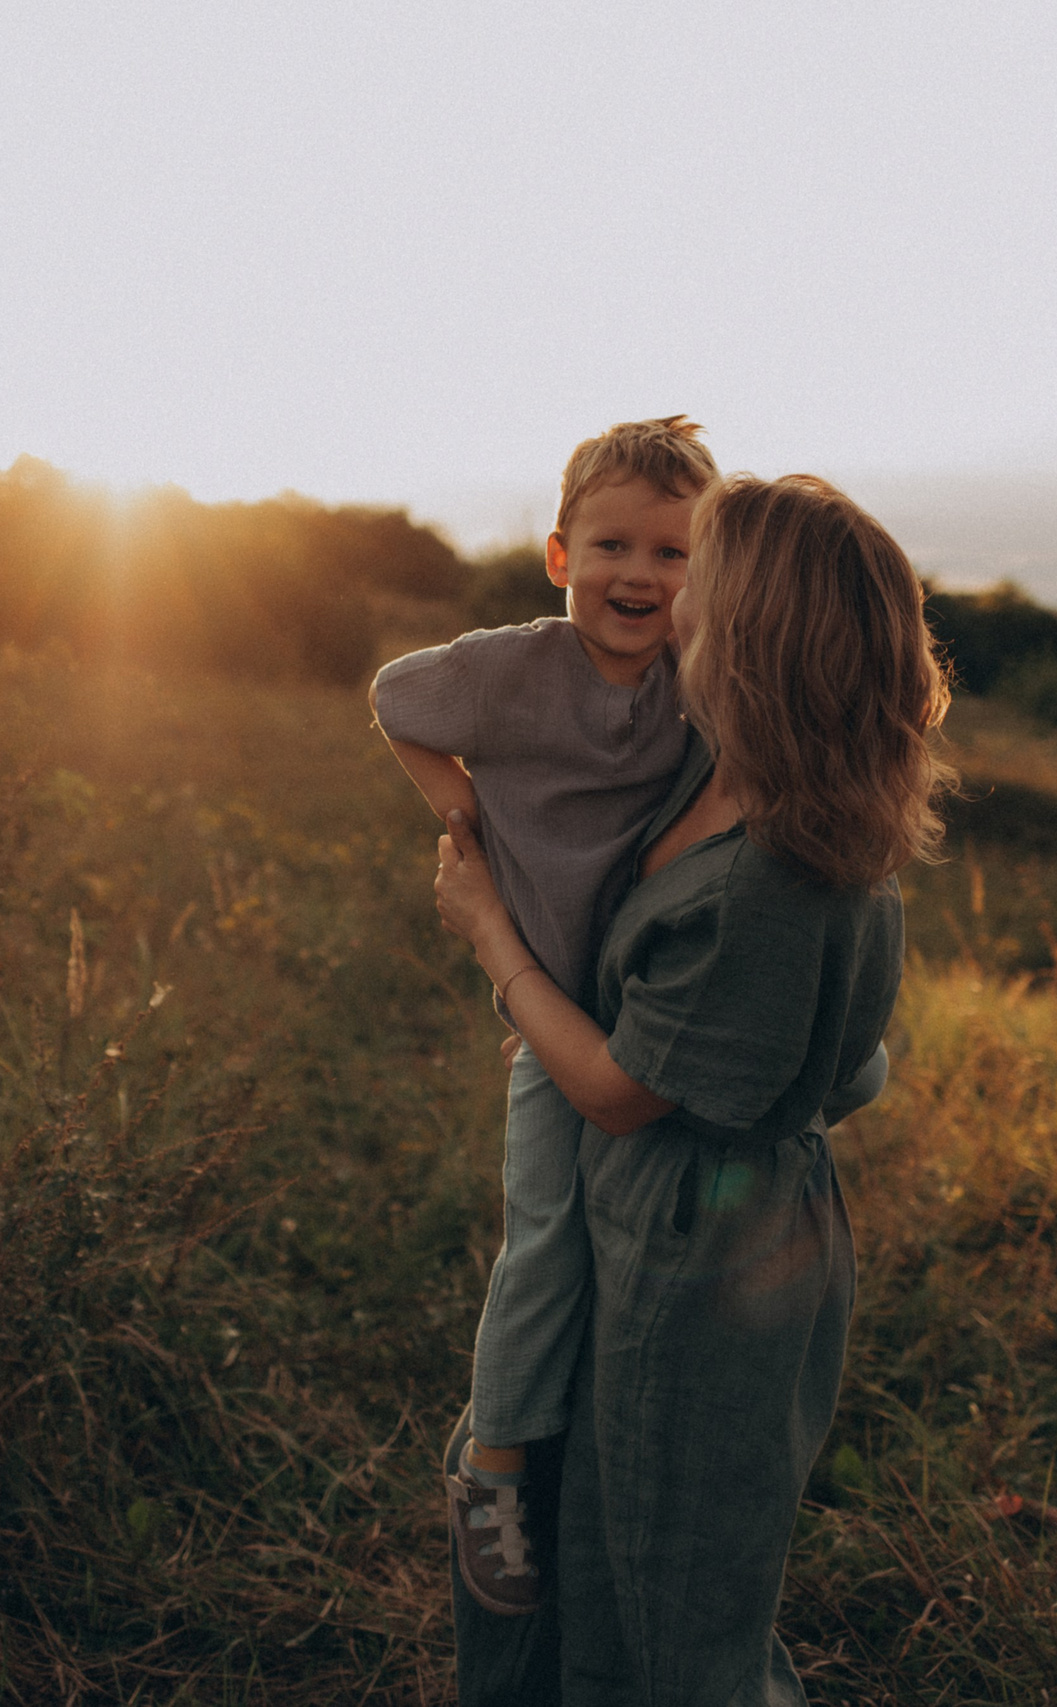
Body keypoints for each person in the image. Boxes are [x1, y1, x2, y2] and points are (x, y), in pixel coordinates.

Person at [432, 474, 951, 1705]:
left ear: (755, 627)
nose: (668, 595)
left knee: (668, 1611)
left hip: (708, 1260)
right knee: (585, 1551)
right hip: (639, 1220)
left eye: (697, 576)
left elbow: (620, 1093)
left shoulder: (778, 866)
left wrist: (491, 940)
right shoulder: (706, 762)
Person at [371, 416, 719, 1614]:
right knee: (549, 1238)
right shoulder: (512, 669)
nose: (642, 576)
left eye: (673, 555)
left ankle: (610, 1459)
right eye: (613, 545)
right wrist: (464, 823)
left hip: (655, 1005)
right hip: (553, 1011)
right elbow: (393, 698)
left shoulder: (701, 677)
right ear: (561, 554)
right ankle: (497, 1463)